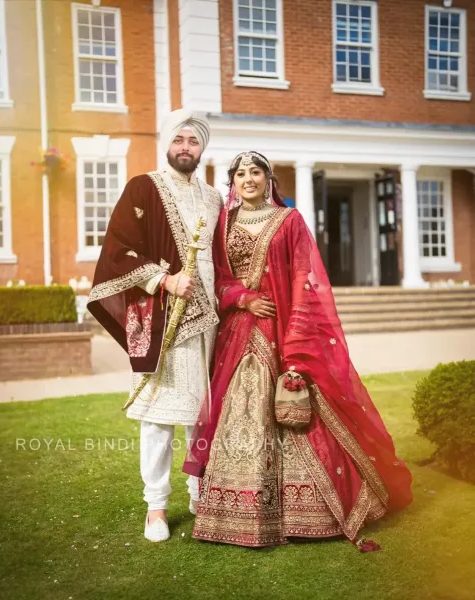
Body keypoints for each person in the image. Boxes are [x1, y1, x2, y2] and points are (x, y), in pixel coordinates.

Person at [183, 151, 412, 549]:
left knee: (296, 412)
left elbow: (306, 281)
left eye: (256, 172)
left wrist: (297, 347)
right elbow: (217, 278)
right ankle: (236, 512)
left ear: (269, 180)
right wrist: (242, 298)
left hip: (282, 327)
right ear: (232, 183)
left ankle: (307, 512)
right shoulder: (223, 224)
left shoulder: (289, 221)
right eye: (241, 173)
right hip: (239, 333)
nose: (248, 179)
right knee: (240, 412)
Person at [87, 109, 223, 543]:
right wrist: (164, 279)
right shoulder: (144, 187)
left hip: (211, 323)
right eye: (179, 139)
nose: (186, 147)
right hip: (167, 319)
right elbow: (118, 250)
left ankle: (201, 495)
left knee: (204, 417)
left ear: (202, 148)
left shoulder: (214, 198)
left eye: (194, 141)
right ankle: (156, 507)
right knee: (161, 417)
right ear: (168, 142)